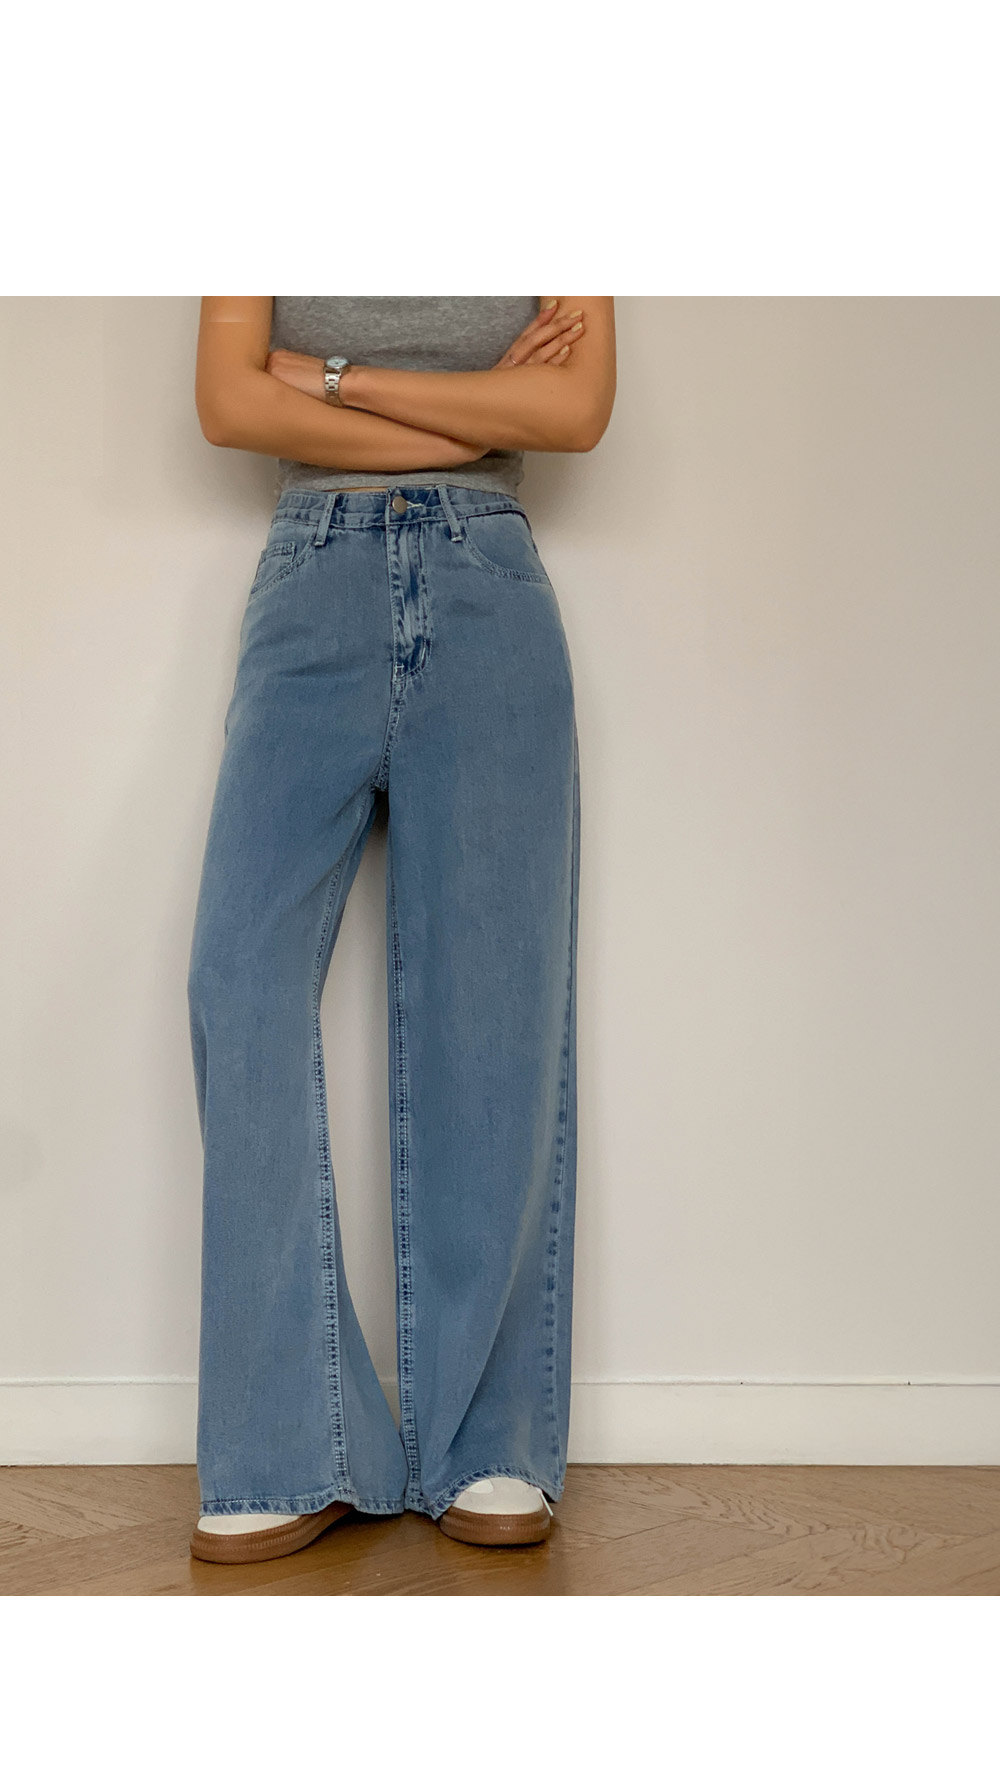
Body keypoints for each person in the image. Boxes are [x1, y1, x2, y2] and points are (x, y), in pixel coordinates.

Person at [186, 296, 616, 1564]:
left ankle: (488, 1440)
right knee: (238, 977)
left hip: (490, 585)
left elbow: (574, 410)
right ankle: (288, 1443)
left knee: (493, 1008)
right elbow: (227, 401)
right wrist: (476, 411)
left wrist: (328, 379)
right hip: (308, 585)